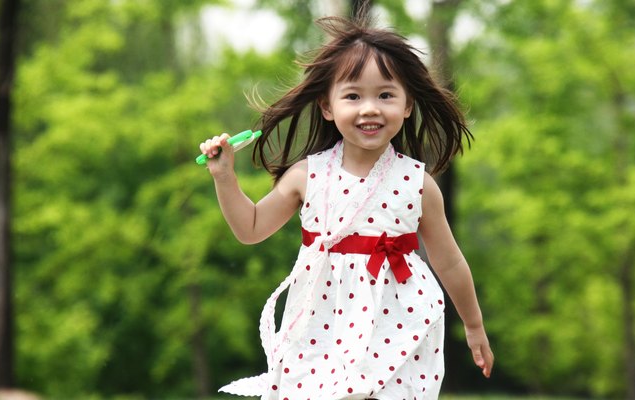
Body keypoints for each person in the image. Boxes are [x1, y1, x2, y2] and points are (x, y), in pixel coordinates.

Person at [198, 14, 493, 400]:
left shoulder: (418, 184)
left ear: (407, 106)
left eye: (385, 95)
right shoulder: (308, 175)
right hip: (323, 323)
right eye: (353, 96)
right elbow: (250, 228)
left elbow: (450, 262)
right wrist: (224, 177)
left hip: (397, 320)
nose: (369, 108)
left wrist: (473, 325)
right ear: (326, 106)